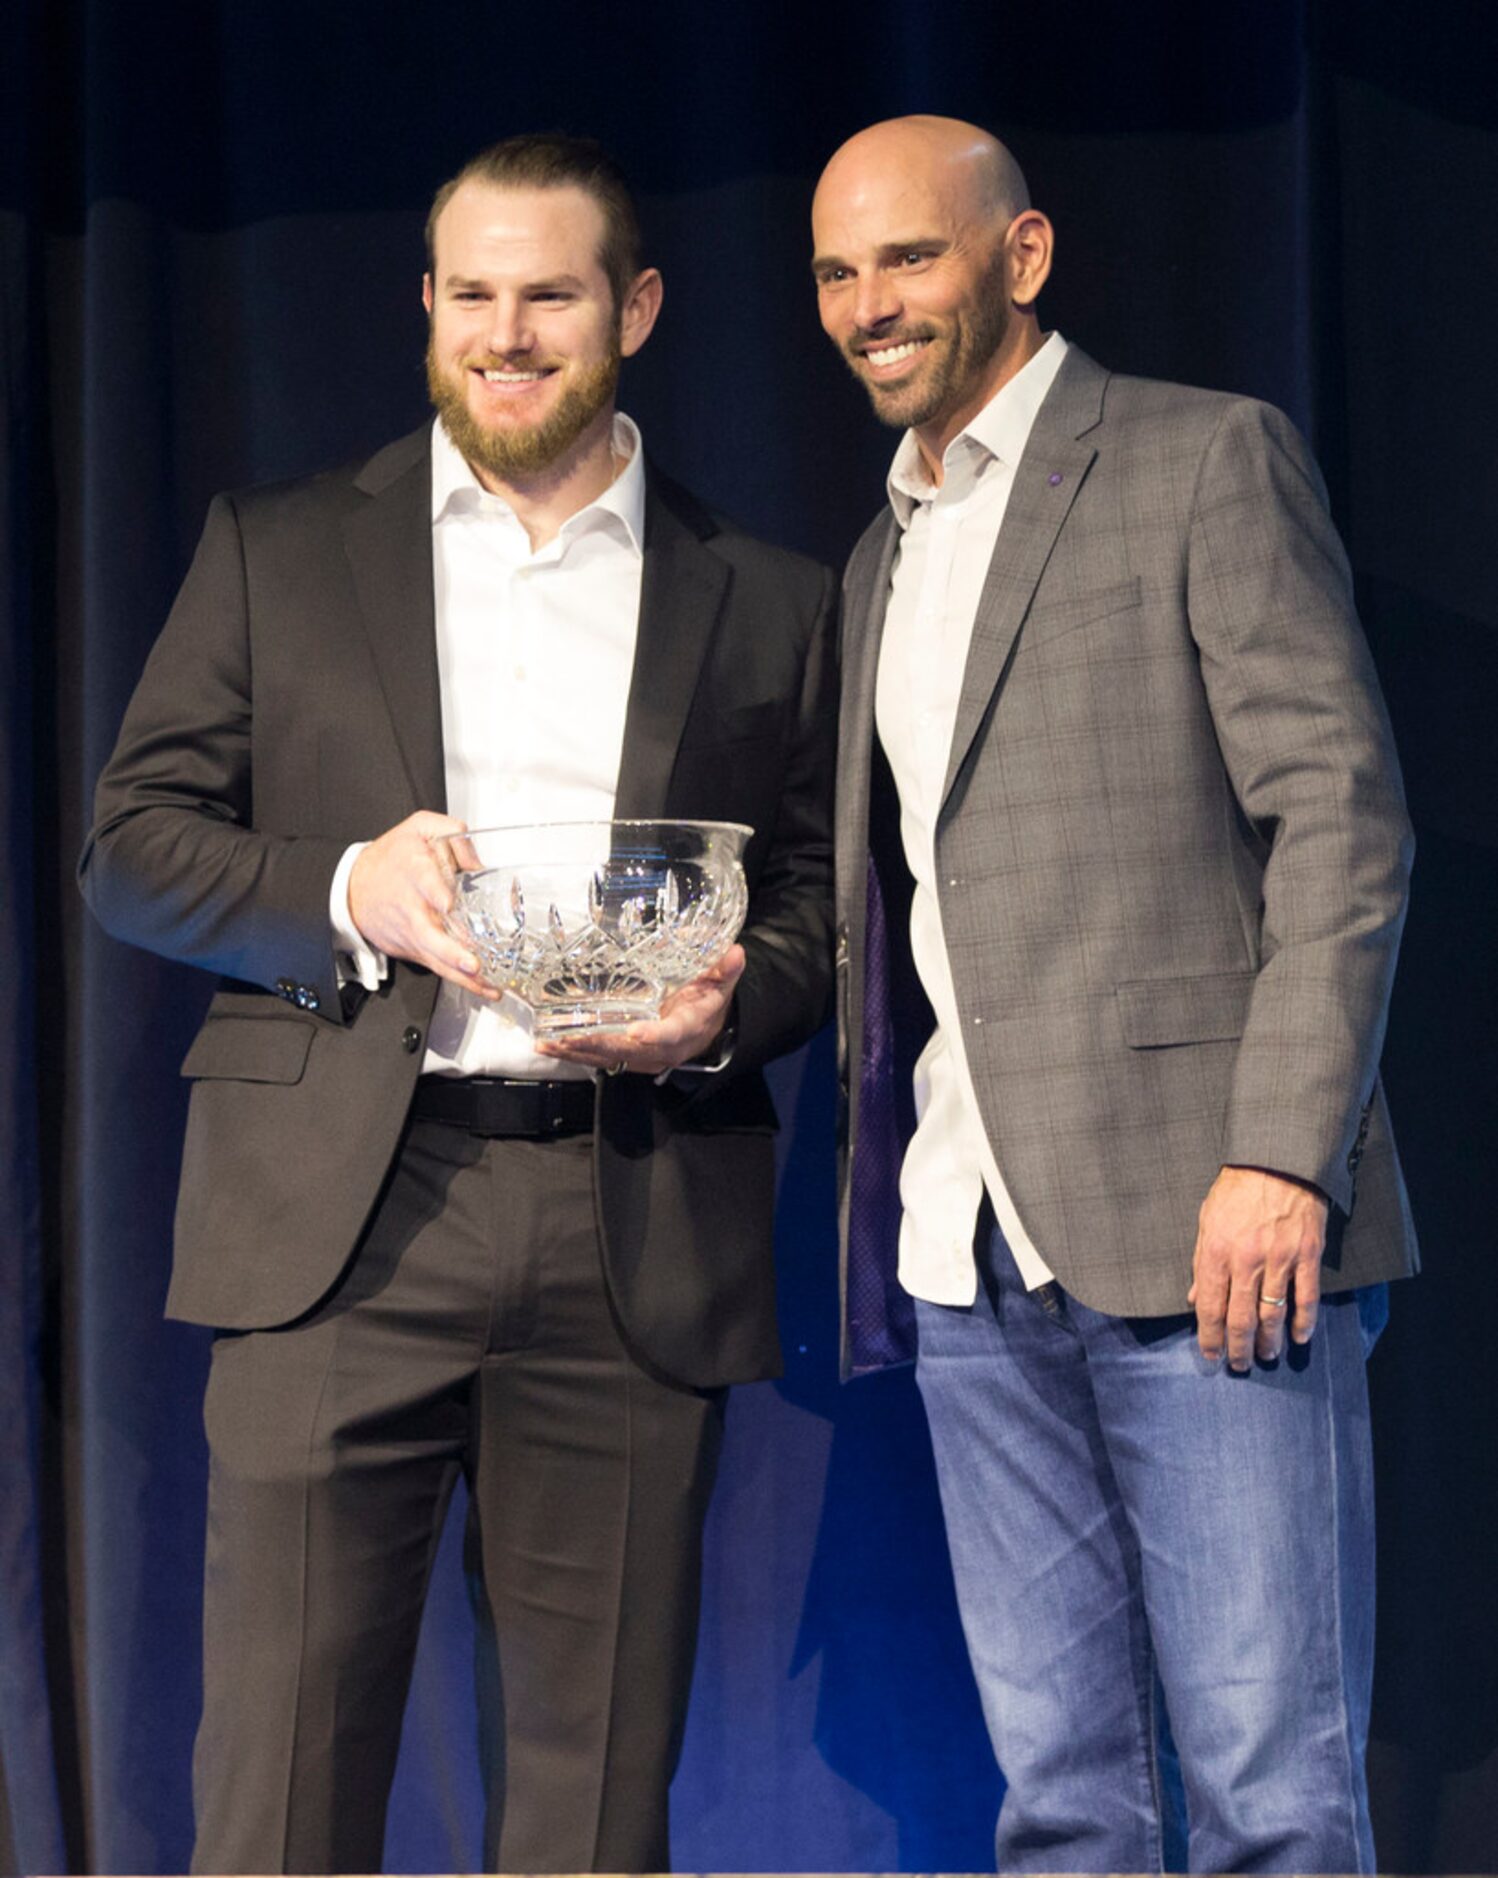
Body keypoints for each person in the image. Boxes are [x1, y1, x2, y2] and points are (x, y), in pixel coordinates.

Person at [80, 133, 834, 1875]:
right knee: (276, 1786)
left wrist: (719, 1011)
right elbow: (129, 848)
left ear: (632, 309)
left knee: (589, 1813)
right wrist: (348, 886)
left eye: (550, 294)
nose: (507, 333)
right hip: (341, 1221)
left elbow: (819, 908)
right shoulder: (277, 548)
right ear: (426, 307)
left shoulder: (773, 597)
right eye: (472, 294)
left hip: (626, 1217)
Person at [813, 114, 1417, 1874]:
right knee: (1059, 1804)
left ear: (1021, 254)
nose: (867, 305)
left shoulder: (1198, 458)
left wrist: (1282, 1156)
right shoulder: (880, 555)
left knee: (1269, 1797)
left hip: (1215, 1228)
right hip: (970, 1253)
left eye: (907, 257)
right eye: (837, 273)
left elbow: (1341, 821)